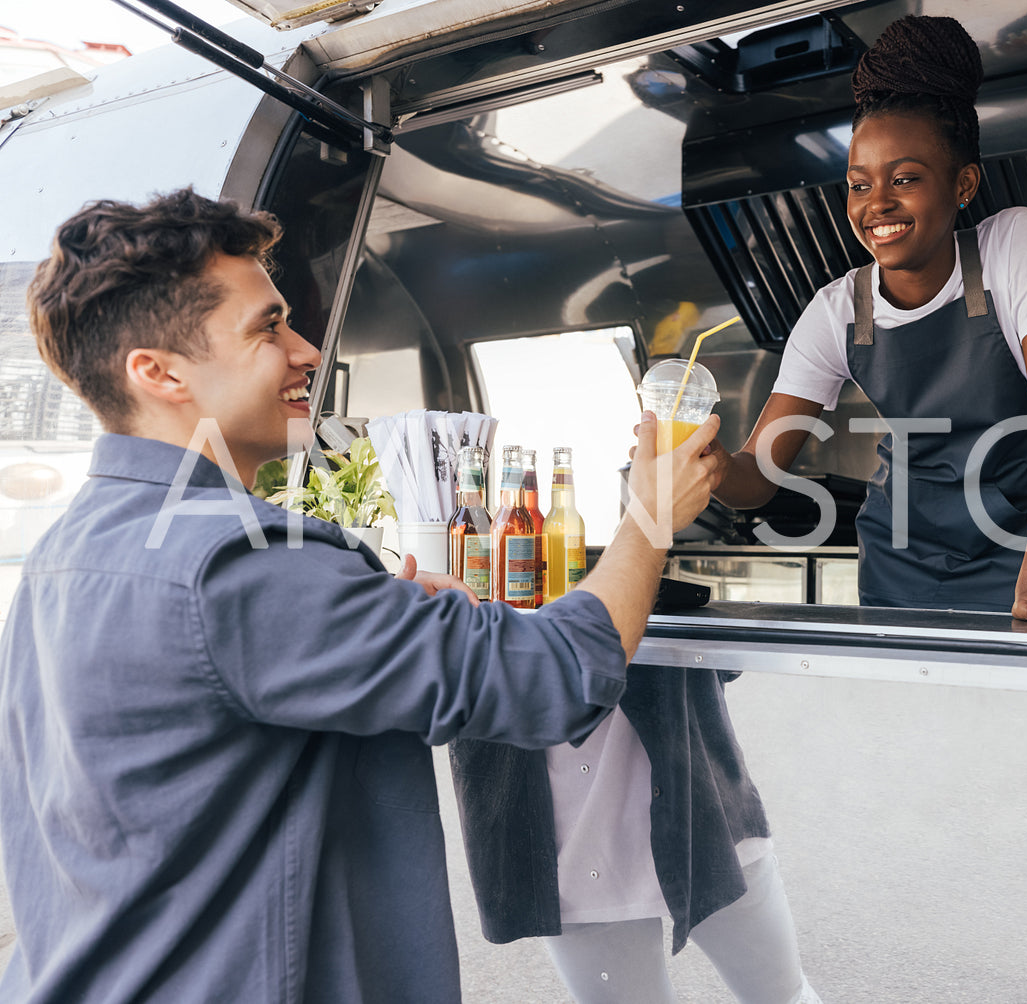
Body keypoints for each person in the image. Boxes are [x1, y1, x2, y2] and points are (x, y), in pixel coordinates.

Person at [0, 189, 719, 1004]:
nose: (307, 351)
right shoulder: (243, 563)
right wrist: (650, 515)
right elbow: (551, 674)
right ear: (158, 372)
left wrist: (382, 611)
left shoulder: (72, 551)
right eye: (267, 327)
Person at [710, 15, 1027, 629]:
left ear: (963, 184)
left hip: (1020, 560)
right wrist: (710, 468)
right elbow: (759, 475)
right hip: (896, 562)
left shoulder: (1013, 248)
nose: (877, 203)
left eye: (906, 178)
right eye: (859, 185)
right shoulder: (836, 310)